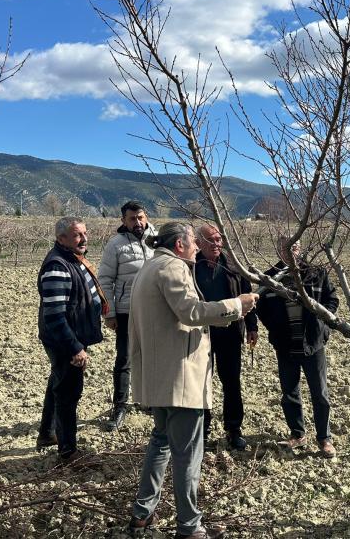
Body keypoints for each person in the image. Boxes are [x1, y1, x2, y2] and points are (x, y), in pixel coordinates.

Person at [127, 222, 258, 539]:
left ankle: (142, 513)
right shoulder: (172, 268)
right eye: (193, 243)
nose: (197, 248)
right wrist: (236, 306)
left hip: (160, 378)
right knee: (188, 454)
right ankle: (189, 527)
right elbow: (191, 312)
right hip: (180, 378)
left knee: (161, 442)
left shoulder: (149, 267)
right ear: (179, 245)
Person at [256, 237, 339, 458]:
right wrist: (274, 327)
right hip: (285, 345)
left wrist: (322, 324)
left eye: (294, 247)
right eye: (285, 248)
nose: (290, 252)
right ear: (279, 250)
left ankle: (324, 438)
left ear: (300, 248)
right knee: (289, 392)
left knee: (319, 393)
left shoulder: (316, 273)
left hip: (313, 343)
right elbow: (261, 308)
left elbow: (332, 300)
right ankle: (298, 434)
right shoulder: (270, 276)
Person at [36, 217, 107, 464]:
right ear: (61, 238)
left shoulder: (72, 259)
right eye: (77, 235)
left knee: (58, 383)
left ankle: (47, 433)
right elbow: (55, 316)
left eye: (85, 233)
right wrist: (74, 347)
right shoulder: (57, 266)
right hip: (65, 339)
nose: (84, 239)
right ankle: (68, 452)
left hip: (71, 336)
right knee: (68, 392)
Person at [194, 224, 258, 450]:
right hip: (201, 334)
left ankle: (233, 429)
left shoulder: (233, 264)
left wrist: (252, 327)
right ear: (198, 242)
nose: (216, 244)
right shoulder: (191, 266)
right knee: (201, 382)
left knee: (231, 381)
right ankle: (202, 431)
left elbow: (248, 296)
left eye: (219, 239)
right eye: (211, 240)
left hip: (230, 333)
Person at [98, 200, 156, 431]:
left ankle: (150, 400)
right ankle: (120, 407)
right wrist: (109, 313)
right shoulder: (115, 245)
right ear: (123, 220)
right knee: (124, 360)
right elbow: (105, 280)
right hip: (126, 312)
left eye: (140, 217)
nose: (138, 222)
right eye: (132, 219)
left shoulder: (157, 240)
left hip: (155, 312)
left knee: (152, 357)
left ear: (146, 216)